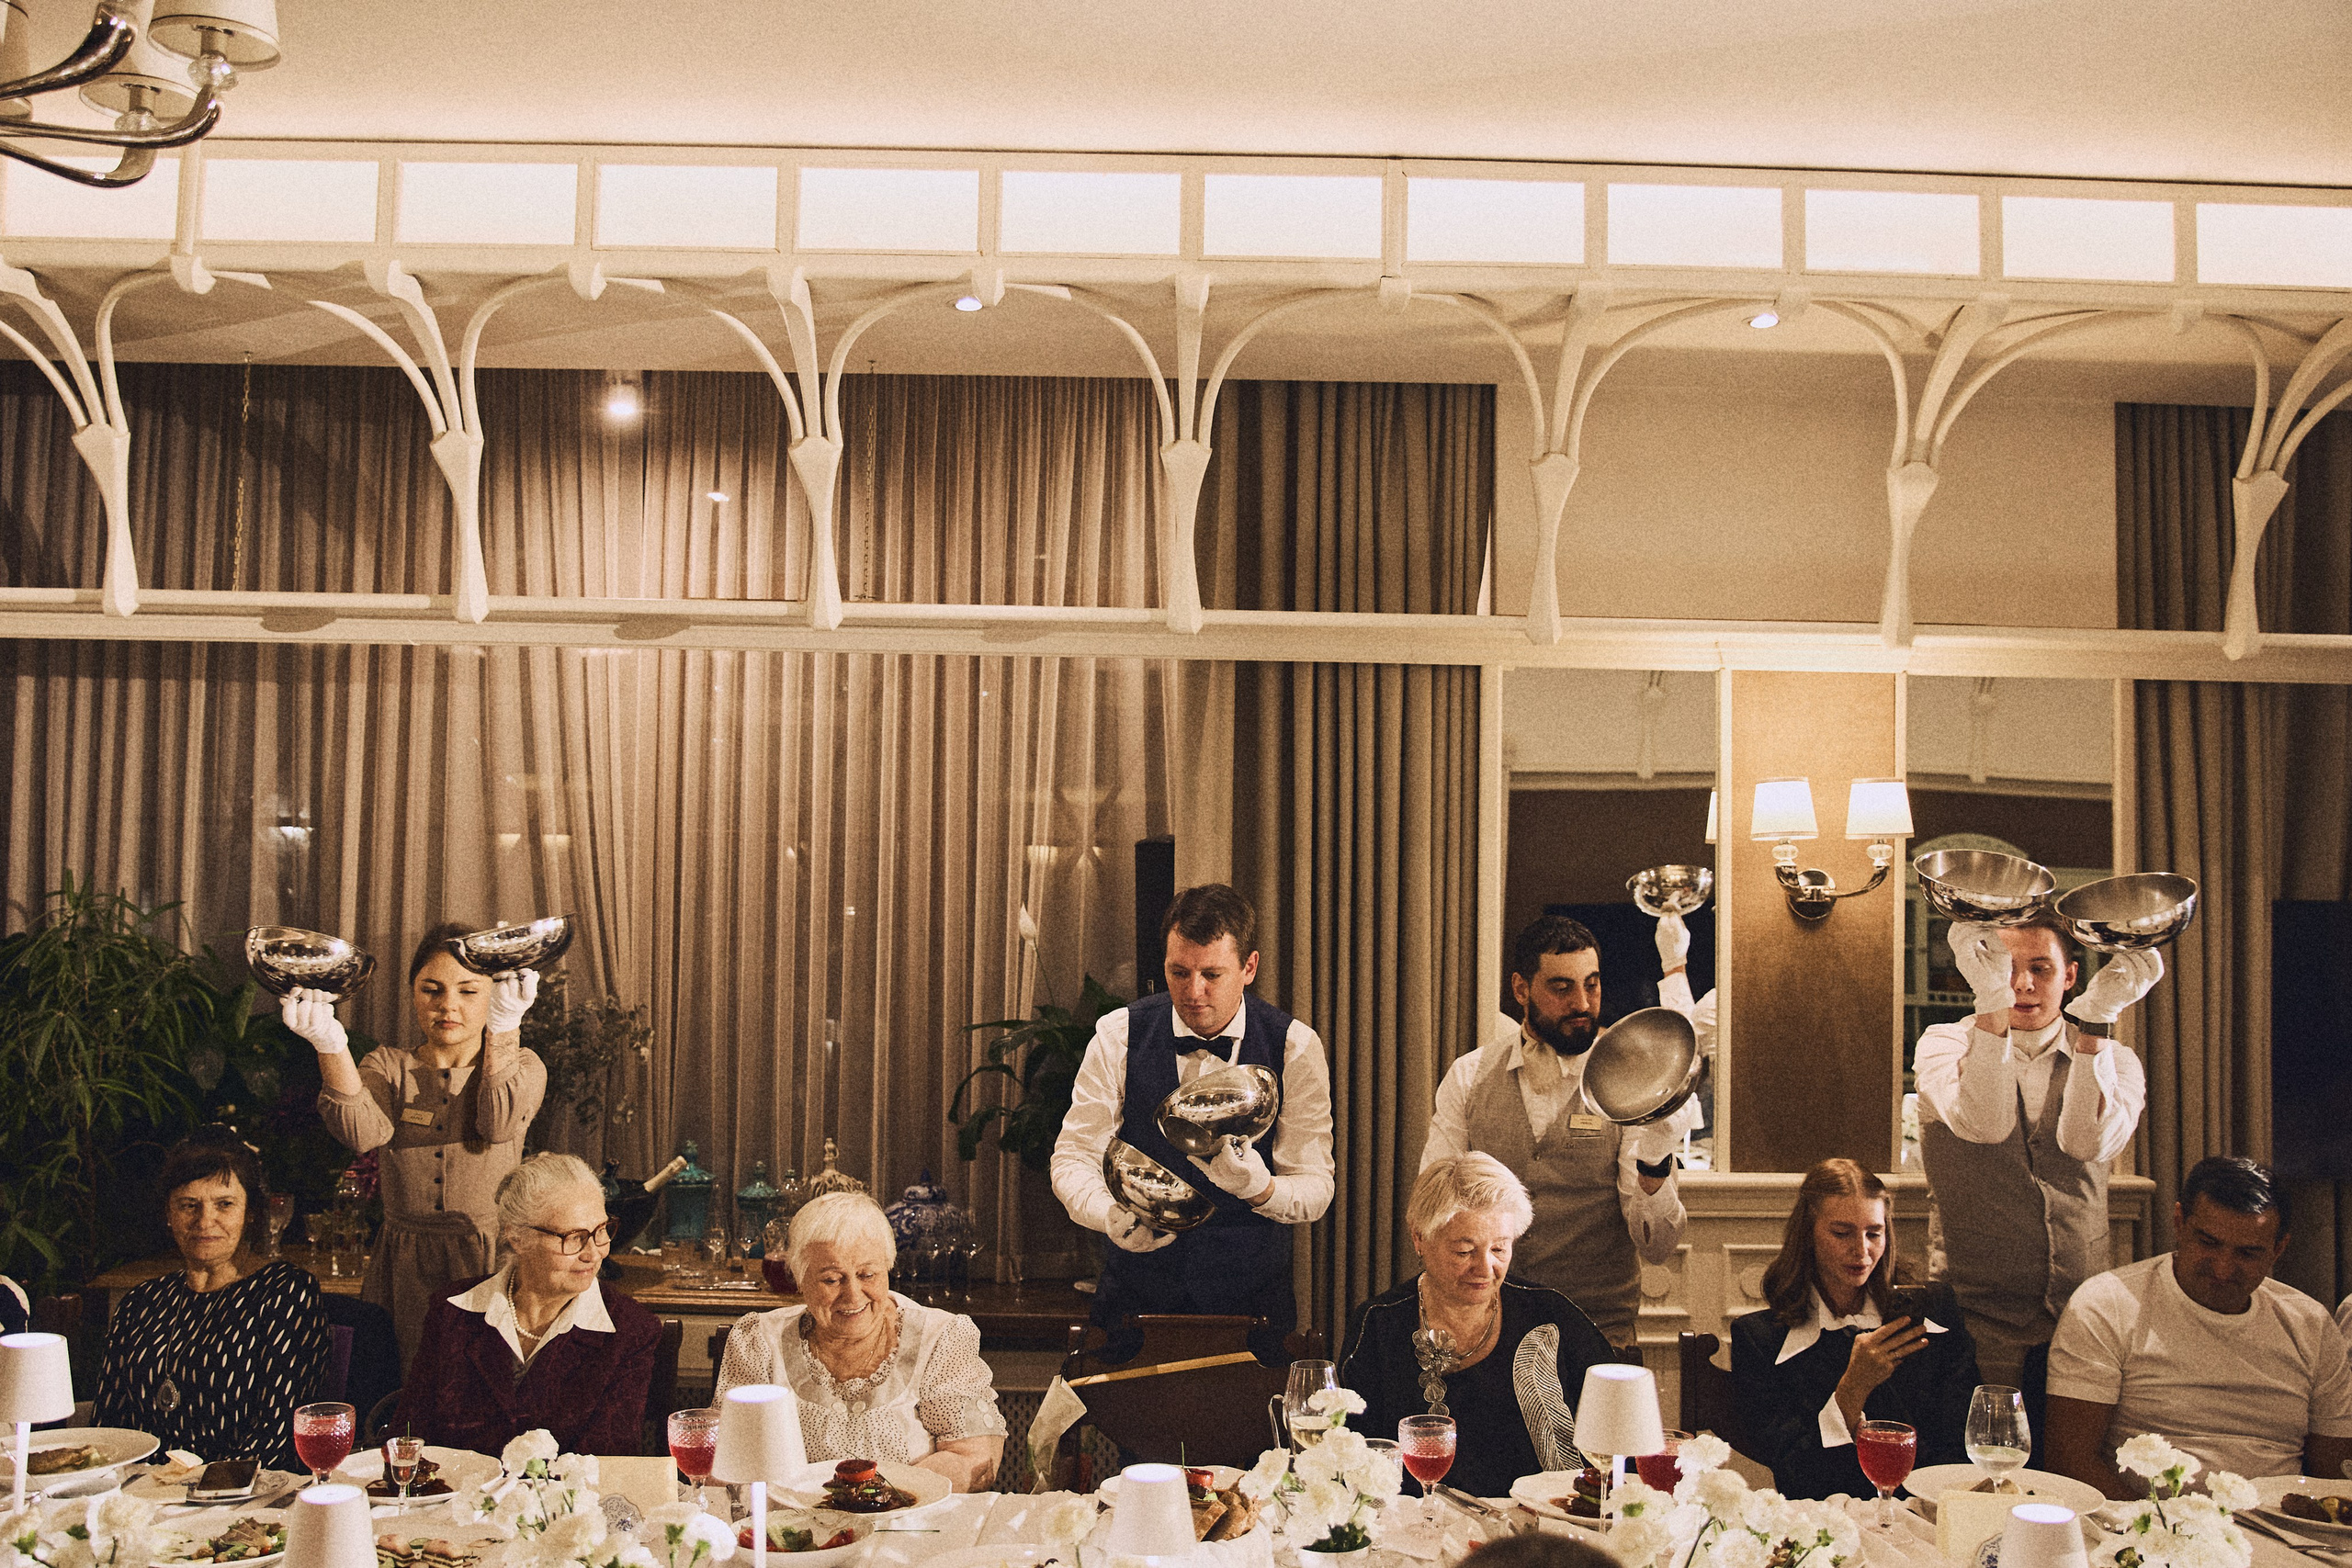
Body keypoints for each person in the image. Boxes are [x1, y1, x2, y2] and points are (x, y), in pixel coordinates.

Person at [1050, 883, 1335, 1363]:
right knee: (1135, 1436)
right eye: (1178, 972)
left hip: (1251, 1307)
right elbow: (1072, 1157)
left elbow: (1316, 1188)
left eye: (1212, 974)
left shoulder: (1295, 1046)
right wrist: (1109, 1214)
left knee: (1253, 1440)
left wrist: (1261, 1188)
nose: (1193, 991)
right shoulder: (1118, 1035)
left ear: (1249, 968)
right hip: (1136, 1303)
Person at [1421, 913, 1700, 1348]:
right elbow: (1434, 1209)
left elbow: (1657, 1247)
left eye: (1592, 983)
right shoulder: (1469, 1077)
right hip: (1485, 1331)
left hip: (1596, 1333)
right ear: (1520, 989)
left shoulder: (1628, 1084)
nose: (1584, 1004)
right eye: (1562, 987)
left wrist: (1657, 1161)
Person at [1915, 914, 2157, 1388]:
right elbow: (1983, 1124)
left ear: (2070, 976)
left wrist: (2093, 1030)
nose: (2021, 984)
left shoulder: (2116, 1059)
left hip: (2082, 1312)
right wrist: (1991, 1003)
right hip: (1971, 1314)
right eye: (2005, 967)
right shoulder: (1943, 1045)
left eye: (2041, 969)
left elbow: (2088, 1144)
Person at [295, 922, 548, 1361]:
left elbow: (499, 1124)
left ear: (494, 994)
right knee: (401, 1386)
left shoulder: (523, 1064)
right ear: (413, 992)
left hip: (488, 1261)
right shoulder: (386, 1065)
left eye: (469, 991)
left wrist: (506, 1028)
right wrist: (329, 1043)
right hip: (402, 1266)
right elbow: (362, 1133)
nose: (448, 1005)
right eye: (432, 989)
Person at [2046, 1156, 2352, 1495]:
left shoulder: (2311, 1325)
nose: (2223, 1269)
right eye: (2208, 1243)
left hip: (2279, 1529)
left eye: (2247, 1254)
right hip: (2140, 1527)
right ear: (2179, 1223)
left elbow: (2332, 1479)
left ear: (2279, 1249)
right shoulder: (2107, 1304)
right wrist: (2163, 1529)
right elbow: (2068, 1462)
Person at [1337, 1154, 1616, 1498]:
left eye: (1499, 1248)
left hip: (1536, 1532)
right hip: (1414, 1532)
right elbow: (1350, 1452)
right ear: (1419, 1239)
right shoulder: (1380, 1323)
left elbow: (1618, 1426)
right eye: (1464, 1251)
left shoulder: (1550, 1316)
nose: (1485, 1269)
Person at [715, 1191, 1005, 1492]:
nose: (853, 1295)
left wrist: (877, 1497)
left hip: (911, 1524)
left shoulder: (939, 1338)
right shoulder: (760, 1342)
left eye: (867, 1274)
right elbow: (724, 1463)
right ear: (800, 1279)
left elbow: (975, 1457)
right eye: (831, 1279)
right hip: (793, 1530)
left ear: (888, 1268)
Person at [1729, 1159, 1981, 1500]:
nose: (1861, 1251)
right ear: (1808, 1235)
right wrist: (1851, 1389)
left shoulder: (1933, 1314)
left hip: (1927, 1515)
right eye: (1842, 1233)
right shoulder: (1760, 1340)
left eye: (1874, 1233)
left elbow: (1960, 1445)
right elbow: (1797, 1478)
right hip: (1826, 1529)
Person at [396, 1153, 662, 1456]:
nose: (594, 1253)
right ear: (517, 1238)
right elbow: (409, 1436)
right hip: (450, 1500)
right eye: (574, 1237)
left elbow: (608, 1465)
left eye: (601, 1231)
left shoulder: (631, 1331)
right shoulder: (452, 1312)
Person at [94, 1131, 329, 1467]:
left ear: (249, 1213)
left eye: (224, 1204)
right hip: (139, 1500)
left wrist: (189, 1495)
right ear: (168, 1214)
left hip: (242, 1499)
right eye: (188, 1205)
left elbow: (276, 1436)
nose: (205, 1221)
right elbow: (109, 1432)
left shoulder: (286, 1293)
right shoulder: (139, 1304)